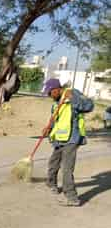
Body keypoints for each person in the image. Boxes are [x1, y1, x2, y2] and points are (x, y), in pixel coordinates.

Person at [42, 78, 94, 207]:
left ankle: (72, 197)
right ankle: (52, 183)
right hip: (60, 138)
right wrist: (48, 127)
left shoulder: (72, 93)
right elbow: (56, 117)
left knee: (67, 168)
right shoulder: (56, 101)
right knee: (53, 162)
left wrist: (73, 99)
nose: (49, 96)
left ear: (56, 89)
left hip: (72, 138)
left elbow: (89, 106)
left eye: (50, 93)